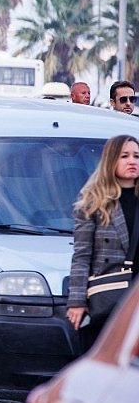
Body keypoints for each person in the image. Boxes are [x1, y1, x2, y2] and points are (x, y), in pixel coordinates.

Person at [69, 134, 139, 348]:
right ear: (111, 161)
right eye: (124, 156)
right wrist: (77, 301)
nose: (132, 161)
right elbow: (81, 256)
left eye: (137, 156)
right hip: (111, 298)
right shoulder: (94, 203)